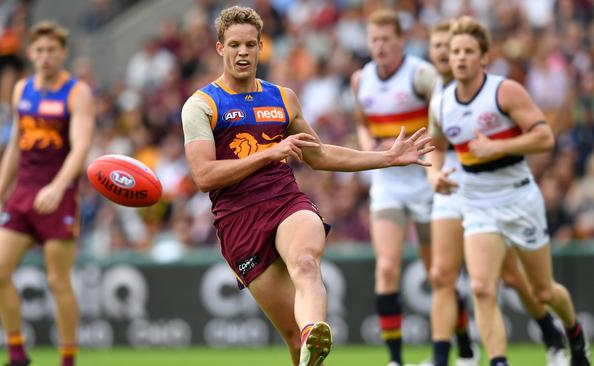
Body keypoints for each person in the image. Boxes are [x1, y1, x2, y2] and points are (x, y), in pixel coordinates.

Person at [181, 6, 434, 366]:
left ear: (260, 47)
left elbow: (319, 155)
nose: (243, 53)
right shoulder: (202, 105)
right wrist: (270, 153)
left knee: (305, 262)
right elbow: (203, 175)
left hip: (286, 202)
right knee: (291, 340)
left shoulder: (283, 98)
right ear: (220, 48)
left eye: (250, 45)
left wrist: (387, 158)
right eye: (235, 45)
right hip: (238, 222)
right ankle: (307, 345)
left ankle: (315, 330)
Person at [428, 15, 591, 366]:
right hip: (476, 202)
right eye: (455, 51)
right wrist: (435, 176)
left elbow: (544, 136)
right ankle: (499, 361)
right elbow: (437, 146)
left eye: (468, 51)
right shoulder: (440, 103)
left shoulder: (503, 91)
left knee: (543, 290)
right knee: (482, 288)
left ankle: (574, 334)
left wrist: (499, 148)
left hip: (518, 197)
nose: (459, 57)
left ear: (483, 57)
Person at [349, 9, 475, 366]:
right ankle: (395, 360)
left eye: (387, 39)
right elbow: (363, 123)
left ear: (401, 41)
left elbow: (445, 116)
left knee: (439, 273)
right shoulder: (361, 80)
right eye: (374, 39)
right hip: (388, 183)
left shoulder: (421, 75)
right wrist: (368, 147)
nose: (380, 46)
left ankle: (465, 348)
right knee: (386, 267)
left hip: (425, 180)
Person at [0, 21, 95, 366]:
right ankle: (17, 353)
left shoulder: (77, 93)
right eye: (40, 50)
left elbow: (80, 149)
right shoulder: (22, 90)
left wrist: (59, 186)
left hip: (58, 193)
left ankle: (67, 359)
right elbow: (15, 147)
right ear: (31, 54)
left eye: (52, 50)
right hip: (23, 192)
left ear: (63, 53)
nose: (45, 56)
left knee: (57, 281)